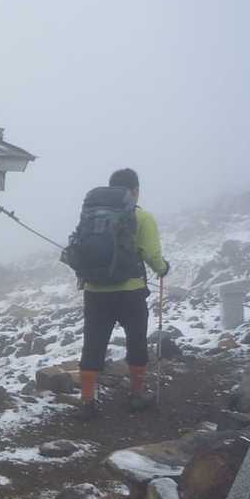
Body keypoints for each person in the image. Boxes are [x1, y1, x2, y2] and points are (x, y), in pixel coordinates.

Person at [79, 168, 170, 418]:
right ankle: (137, 395)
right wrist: (162, 269)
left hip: (95, 291)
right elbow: (151, 254)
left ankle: (87, 402)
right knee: (136, 341)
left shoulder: (92, 215)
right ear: (135, 190)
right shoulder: (143, 217)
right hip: (130, 291)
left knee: (93, 343)